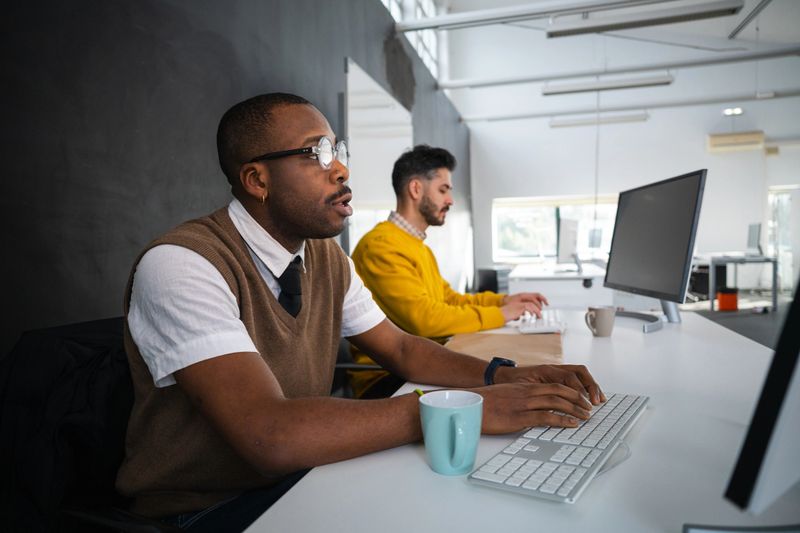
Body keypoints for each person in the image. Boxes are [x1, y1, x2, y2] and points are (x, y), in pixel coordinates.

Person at [116, 92, 605, 533]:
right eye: (316, 153)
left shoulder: (326, 258)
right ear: (257, 179)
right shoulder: (183, 263)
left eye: (339, 151)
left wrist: (505, 376)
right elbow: (269, 435)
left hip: (301, 474)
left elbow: (402, 348)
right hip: (206, 508)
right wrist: (457, 408)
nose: (341, 170)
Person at [349, 145, 550, 396]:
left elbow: (448, 299)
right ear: (415, 189)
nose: (450, 200)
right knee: (510, 388)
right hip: (388, 379)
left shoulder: (418, 246)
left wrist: (503, 301)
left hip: (424, 362)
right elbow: (426, 320)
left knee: (512, 373)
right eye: (443, 190)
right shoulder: (381, 246)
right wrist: (501, 314)